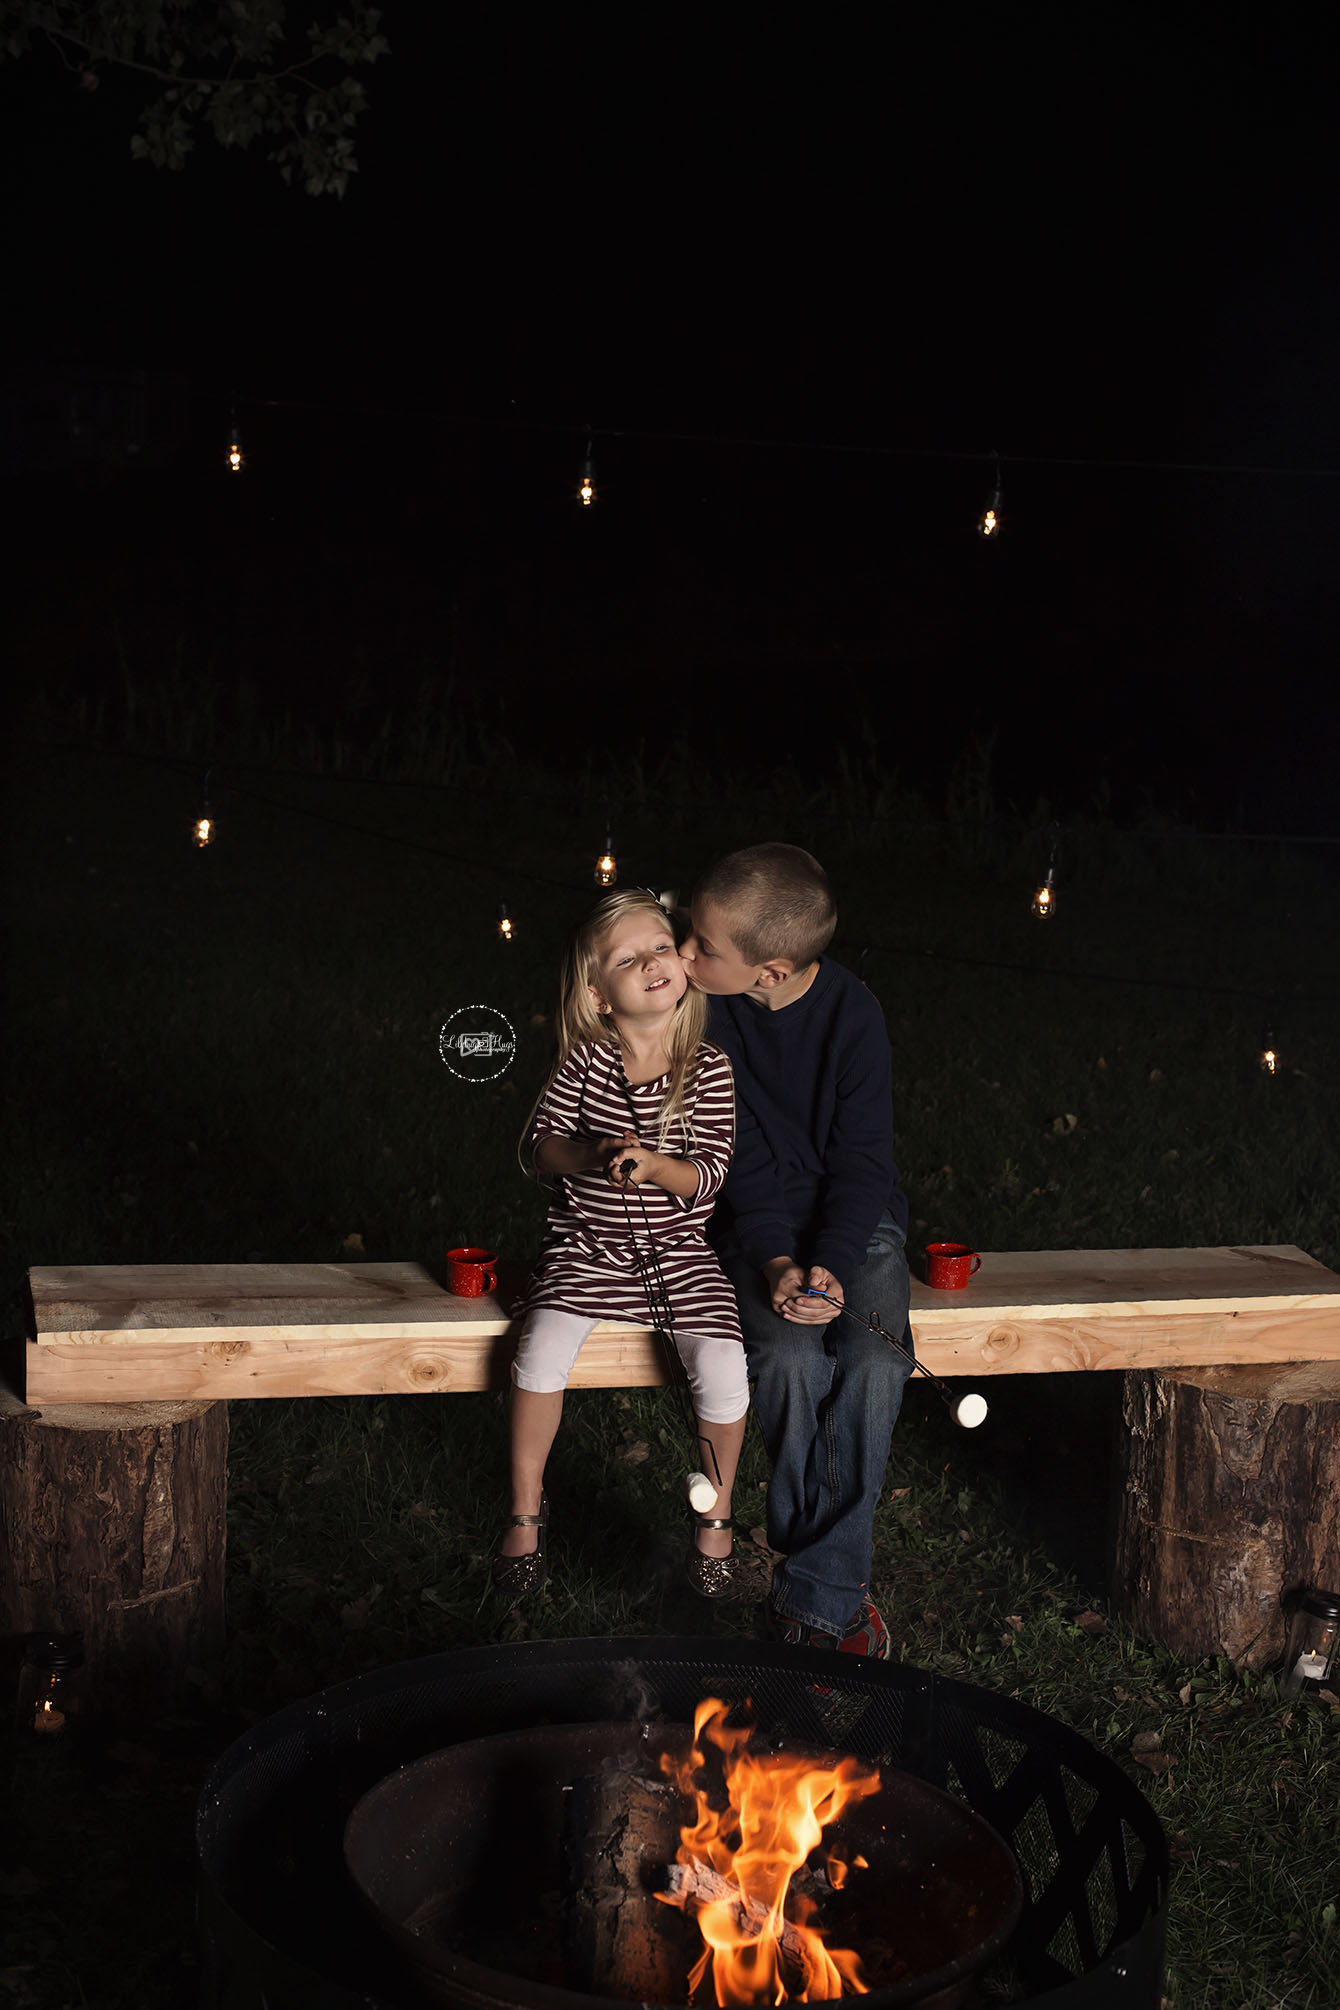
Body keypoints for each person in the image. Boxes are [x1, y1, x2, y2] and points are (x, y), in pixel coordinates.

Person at [679, 843, 912, 1658]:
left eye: (704, 946)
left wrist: (834, 1263)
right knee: (785, 1358)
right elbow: (737, 1156)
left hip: (858, 1224)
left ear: (770, 970)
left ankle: (810, 1590)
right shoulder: (708, 1014)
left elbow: (864, 1160)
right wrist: (778, 1262)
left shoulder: (854, 1016)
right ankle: (831, 1595)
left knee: (877, 1360)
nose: (684, 953)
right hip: (757, 1224)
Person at [493, 888, 750, 1602]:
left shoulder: (710, 1069)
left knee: (724, 1365)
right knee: (540, 1352)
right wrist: (591, 1154)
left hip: (679, 1254)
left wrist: (658, 1166)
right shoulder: (584, 1064)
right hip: (586, 1248)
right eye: (627, 959)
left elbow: (709, 1175)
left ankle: (716, 1517)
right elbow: (540, 1149)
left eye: (661, 947)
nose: (652, 963)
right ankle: (524, 1511)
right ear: (599, 995)